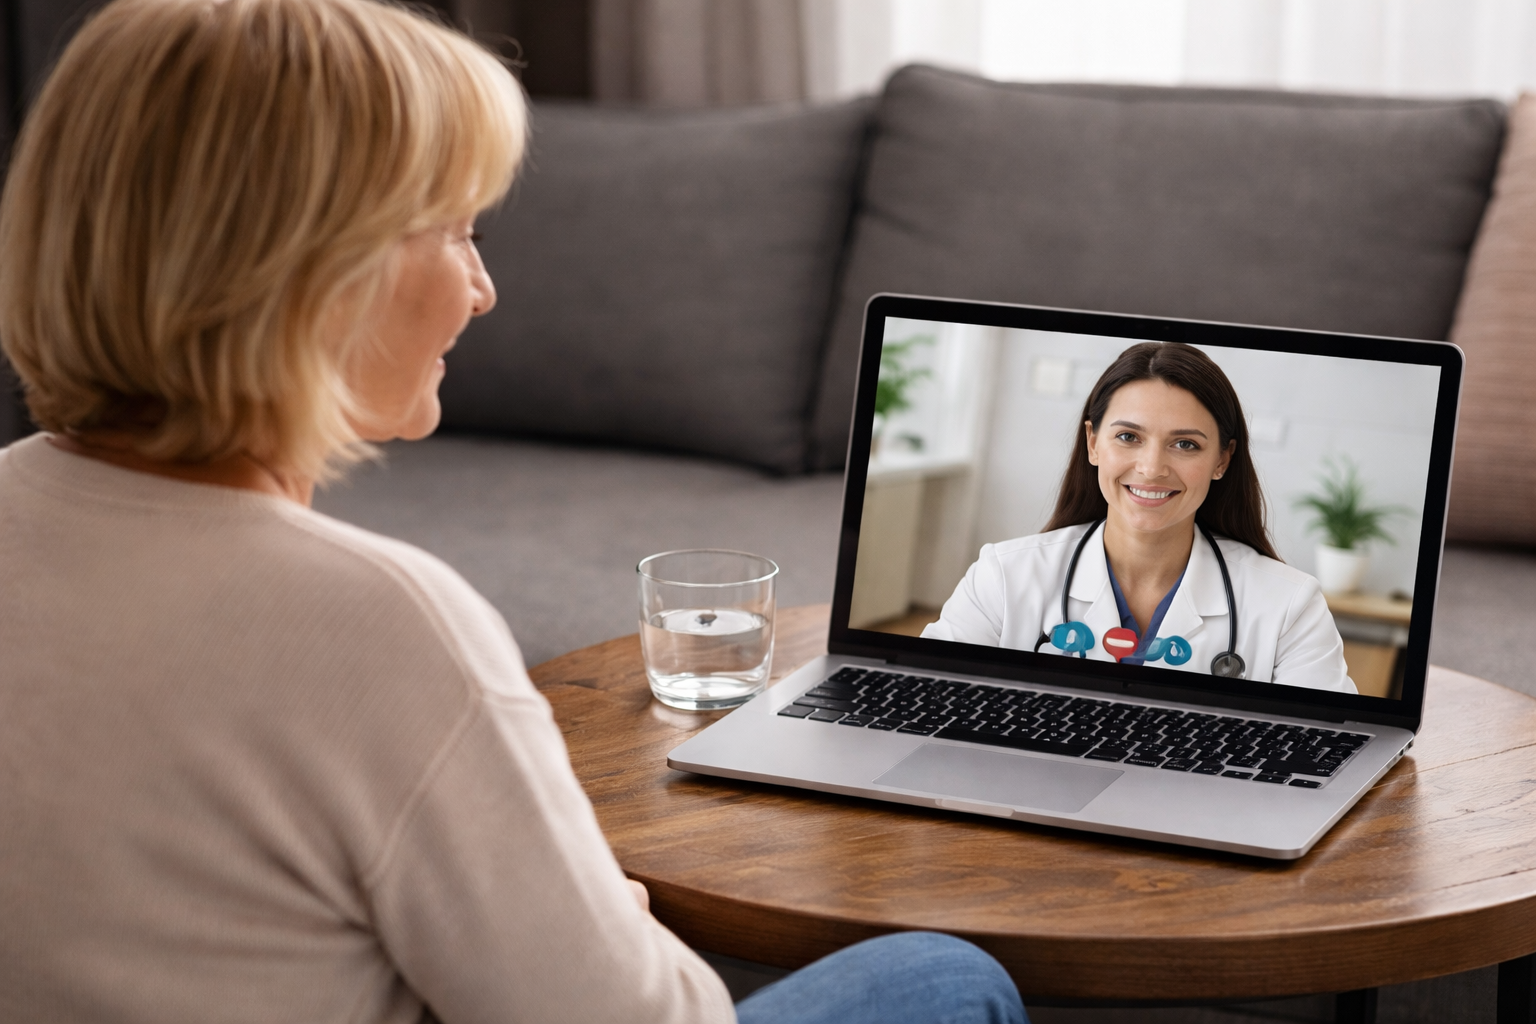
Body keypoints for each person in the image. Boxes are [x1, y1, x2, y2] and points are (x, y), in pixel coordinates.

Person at [0, 1, 1027, 1022]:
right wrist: (607, 913)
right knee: (946, 976)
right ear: (320, 274)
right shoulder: (380, 623)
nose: (484, 289)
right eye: (456, 231)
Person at [923, 342, 1355, 693]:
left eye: (1185, 444)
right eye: (1128, 437)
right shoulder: (1003, 576)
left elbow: (1333, 742)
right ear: (1093, 443)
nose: (1151, 468)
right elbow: (926, 698)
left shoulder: (1290, 606)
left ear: (1222, 459)